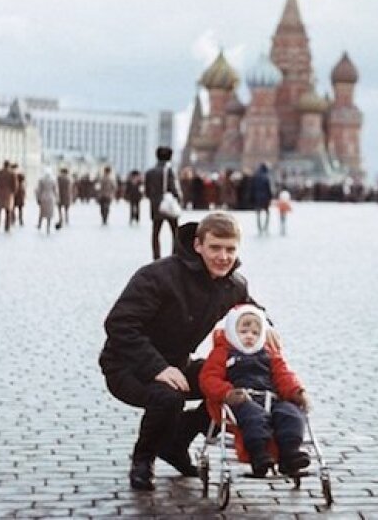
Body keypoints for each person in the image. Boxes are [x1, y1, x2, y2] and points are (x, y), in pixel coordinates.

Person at [99, 212, 277, 491]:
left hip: (178, 363)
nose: (223, 257)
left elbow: (250, 311)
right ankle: (143, 460)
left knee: (235, 385)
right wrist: (158, 368)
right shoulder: (158, 276)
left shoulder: (233, 284)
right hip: (127, 366)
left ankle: (176, 442)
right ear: (198, 245)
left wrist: (267, 326)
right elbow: (119, 324)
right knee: (169, 396)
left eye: (230, 249)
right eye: (215, 248)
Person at [200, 304, 311, 477]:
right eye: (243, 332)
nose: (249, 337)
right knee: (255, 417)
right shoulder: (223, 353)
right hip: (240, 399)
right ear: (232, 332)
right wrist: (227, 393)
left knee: (290, 414)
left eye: (255, 333)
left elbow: (283, 375)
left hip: (270, 398)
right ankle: (258, 453)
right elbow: (209, 379)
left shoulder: (269, 353)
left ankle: (290, 452)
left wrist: (297, 392)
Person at [144, 147, 181, 260]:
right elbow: (173, 188)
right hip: (168, 204)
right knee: (175, 232)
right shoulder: (169, 171)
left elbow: (147, 191)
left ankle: (156, 256)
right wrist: (178, 199)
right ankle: (174, 255)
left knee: (156, 232)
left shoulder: (150, 172)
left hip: (156, 205)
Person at [251, 163, 273, 235]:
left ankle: (259, 227)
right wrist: (270, 197)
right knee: (267, 212)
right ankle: (265, 226)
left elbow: (253, 188)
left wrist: (253, 197)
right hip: (265, 197)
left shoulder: (256, 177)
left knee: (258, 212)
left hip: (257, 197)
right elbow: (268, 188)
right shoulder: (266, 177)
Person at [35, 167, 58, 235]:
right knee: (49, 214)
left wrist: (38, 198)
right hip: (51, 198)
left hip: (43, 197)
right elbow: (55, 190)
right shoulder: (53, 180)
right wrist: (57, 198)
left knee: (42, 212)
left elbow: (38, 190)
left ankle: (39, 225)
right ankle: (48, 227)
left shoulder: (41, 180)